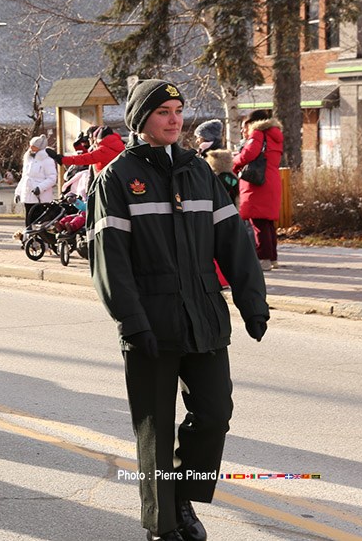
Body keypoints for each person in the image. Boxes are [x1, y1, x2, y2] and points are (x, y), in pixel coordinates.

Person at [88, 79, 269, 541]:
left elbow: (234, 242)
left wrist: (252, 303)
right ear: (140, 120)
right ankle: (162, 523)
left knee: (214, 414)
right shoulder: (116, 177)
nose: (174, 119)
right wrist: (130, 320)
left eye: (178, 110)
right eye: (163, 111)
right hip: (150, 321)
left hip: (204, 315)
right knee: (155, 428)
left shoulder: (198, 171)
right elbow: (110, 259)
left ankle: (182, 496)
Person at [232, 110, 284, 271]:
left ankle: (263, 259)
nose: (243, 131)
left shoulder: (258, 133)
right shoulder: (274, 135)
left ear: (252, 123)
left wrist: (234, 161)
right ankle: (273, 258)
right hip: (271, 180)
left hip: (257, 183)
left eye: (244, 126)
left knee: (258, 222)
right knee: (267, 223)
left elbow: (249, 154)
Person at [14, 134, 58, 227]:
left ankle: (40, 239)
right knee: (28, 219)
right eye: (30, 146)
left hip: (40, 197)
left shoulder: (47, 160)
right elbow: (25, 176)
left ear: (40, 148)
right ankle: (29, 238)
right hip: (28, 195)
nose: (31, 148)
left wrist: (40, 188)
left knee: (39, 221)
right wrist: (18, 192)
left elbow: (52, 178)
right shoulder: (28, 158)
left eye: (34, 146)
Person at [194, 119, 238, 206]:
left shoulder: (219, 160)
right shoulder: (203, 156)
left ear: (207, 138)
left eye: (199, 137)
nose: (197, 141)